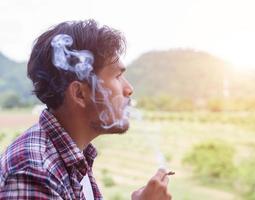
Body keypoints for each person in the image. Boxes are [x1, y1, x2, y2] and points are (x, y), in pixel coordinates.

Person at [0, 19, 172, 200]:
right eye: (118, 76)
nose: (129, 89)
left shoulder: (73, 157)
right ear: (79, 94)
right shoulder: (35, 174)